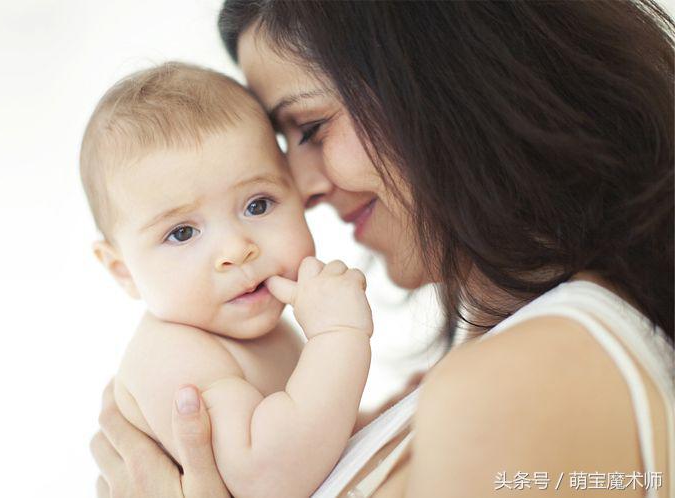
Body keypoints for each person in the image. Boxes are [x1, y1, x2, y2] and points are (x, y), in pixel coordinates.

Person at [90, 1, 675, 497]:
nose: (301, 186)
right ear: (119, 267)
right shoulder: (543, 356)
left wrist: (340, 339)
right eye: (181, 232)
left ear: (445, 86)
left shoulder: (507, 392)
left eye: (311, 128)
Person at [81, 62, 379, 498]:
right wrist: (339, 337)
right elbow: (269, 475)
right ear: (122, 270)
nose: (237, 250)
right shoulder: (174, 356)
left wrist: (378, 423)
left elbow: (319, 452)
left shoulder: (260, 331)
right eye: (182, 233)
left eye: (258, 205)